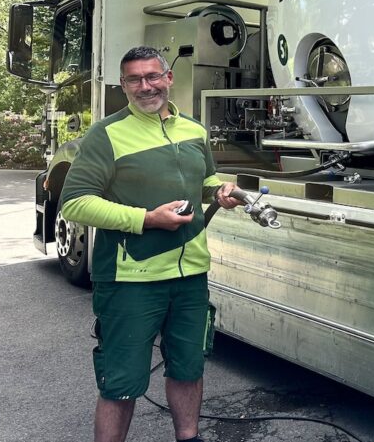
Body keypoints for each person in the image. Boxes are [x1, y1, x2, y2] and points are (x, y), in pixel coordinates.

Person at [60, 46, 243, 442]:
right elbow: (74, 202)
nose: (146, 86)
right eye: (134, 80)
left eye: (153, 76)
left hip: (191, 275)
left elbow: (205, 182)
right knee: (120, 383)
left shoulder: (193, 130)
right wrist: (145, 219)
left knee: (189, 369)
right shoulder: (106, 134)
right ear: (123, 85)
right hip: (130, 280)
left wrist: (221, 191)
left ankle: (188, 438)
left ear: (169, 78)